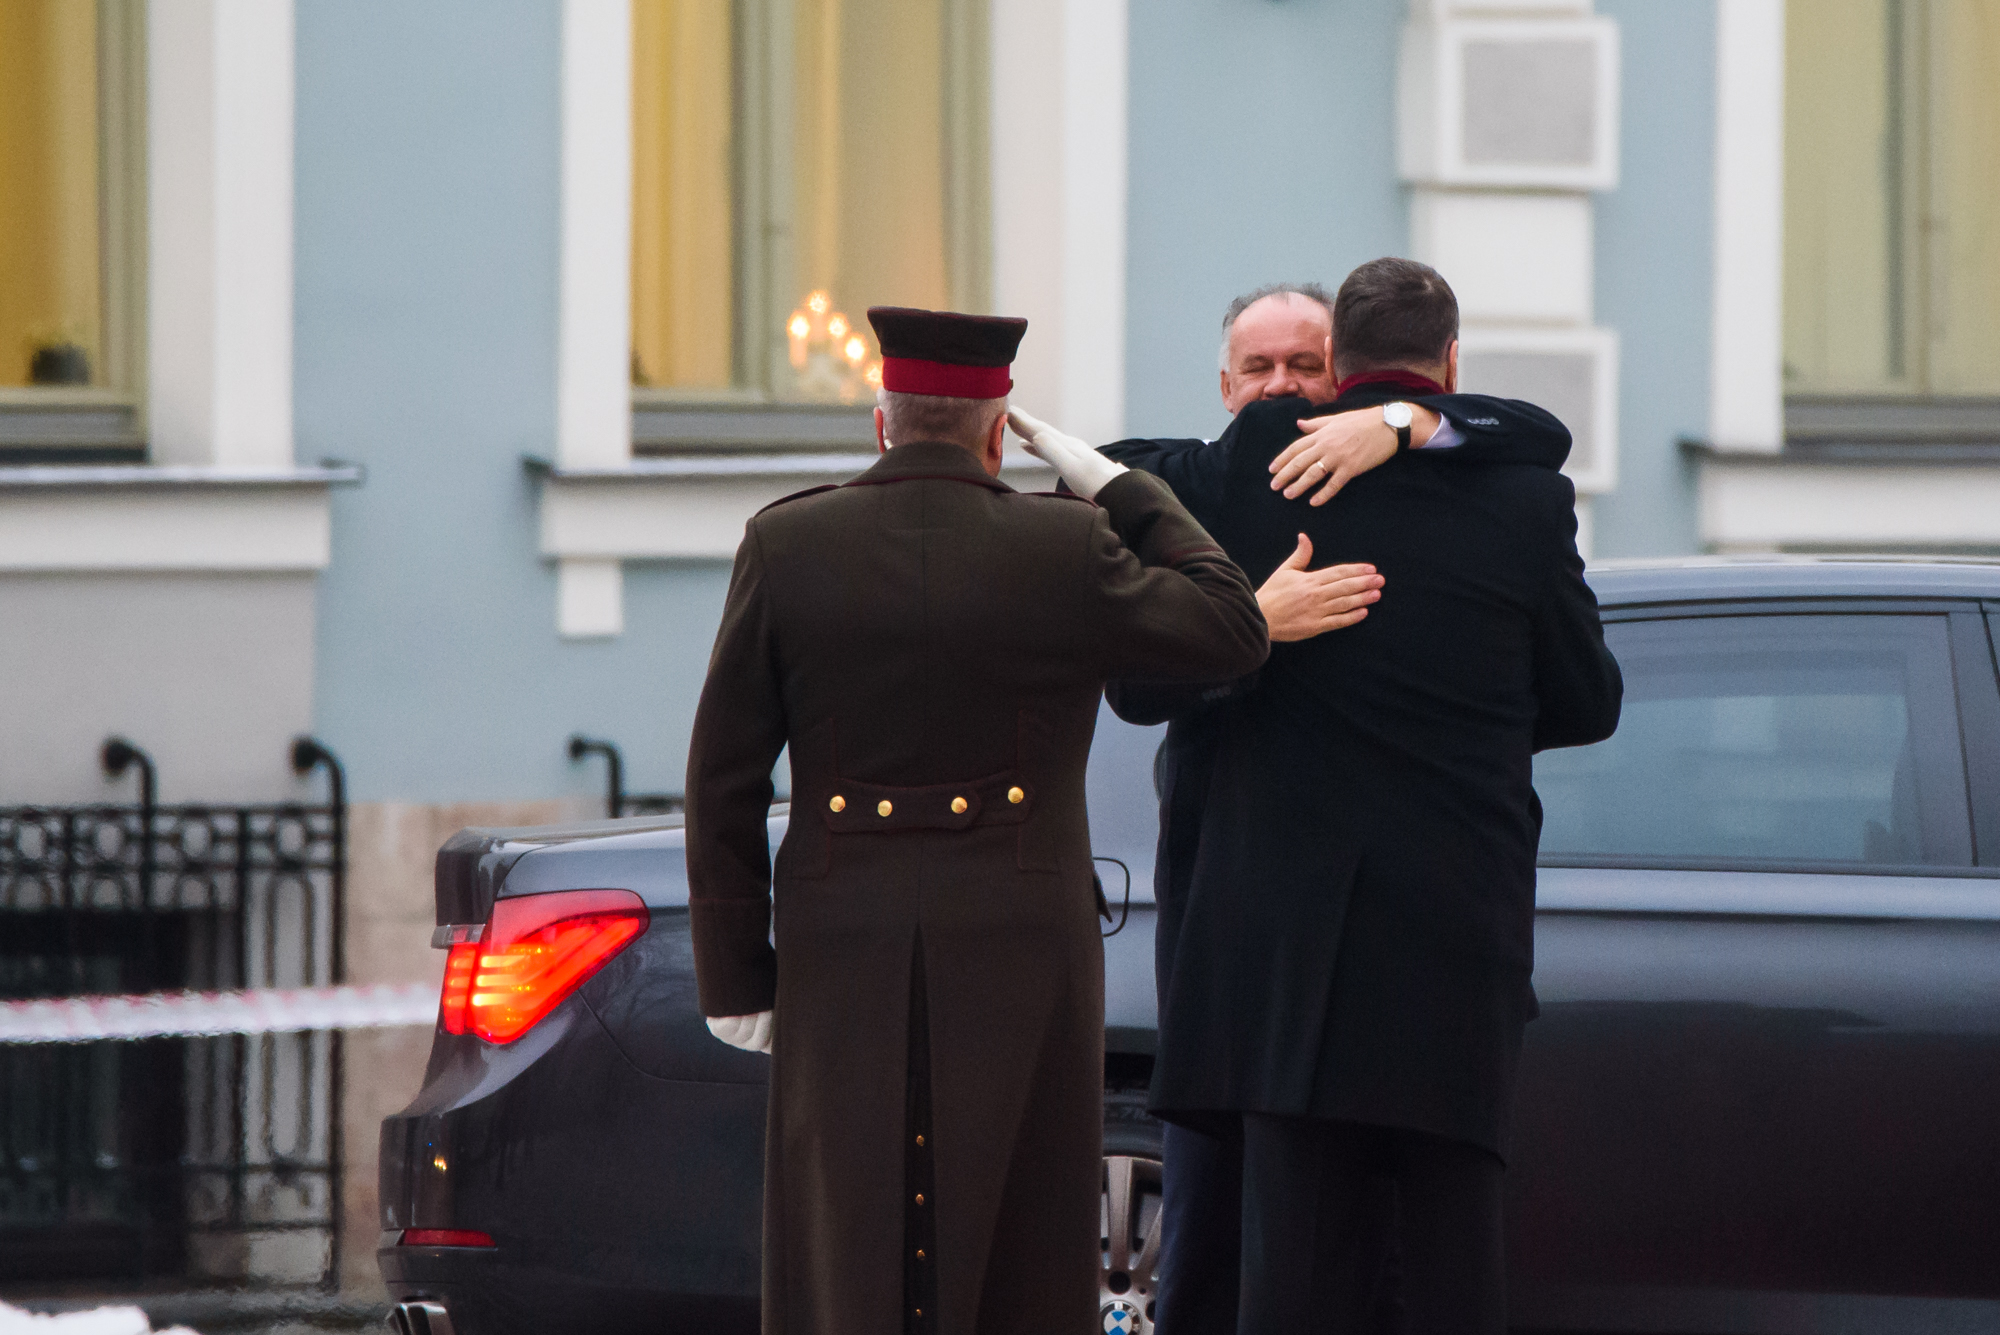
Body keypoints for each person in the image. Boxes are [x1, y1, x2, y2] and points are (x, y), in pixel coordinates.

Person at [1019, 258, 1623, 1333]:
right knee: (1449, 1267)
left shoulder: (1246, 465)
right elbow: (1585, 701)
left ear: (1330, 370)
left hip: (1283, 959)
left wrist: (1394, 425)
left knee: (1290, 1275)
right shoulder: (1524, 497)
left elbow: (1108, 500)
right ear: (1447, 360)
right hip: (1452, 946)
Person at [683, 305, 1270, 1335]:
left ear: (881, 423)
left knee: (842, 1238)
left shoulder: (785, 543)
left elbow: (721, 775)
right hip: (1020, 941)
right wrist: (1119, 484)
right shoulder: (1066, 544)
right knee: (1019, 1239)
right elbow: (1232, 622)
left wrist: (736, 974)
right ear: (999, 434)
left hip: (838, 938)